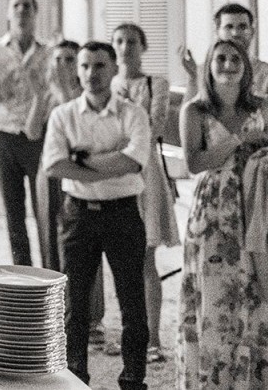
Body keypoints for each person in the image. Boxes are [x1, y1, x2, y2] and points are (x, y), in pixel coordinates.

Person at [42, 41, 150, 390]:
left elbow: (135, 160)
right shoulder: (63, 115)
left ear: (115, 68)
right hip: (78, 216)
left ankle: (133, 376)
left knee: (132, 300)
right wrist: (111, 162)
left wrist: (83, 161)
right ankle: (75, 376)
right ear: (78, 71)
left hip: (122, 212)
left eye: (100, 65)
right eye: (85, 66)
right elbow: (55, 166)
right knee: (74, 303)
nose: (92, 74)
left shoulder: (133, 114)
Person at [177, 39, 268, 389]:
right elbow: (195, 163)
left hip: (254, 202)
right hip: (213, 209)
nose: (228, 65)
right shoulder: (195, 111)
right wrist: (238, 140)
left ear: (246, 67)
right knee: (213, 292)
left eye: (235, 59)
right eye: (220, 59)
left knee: (255, 288)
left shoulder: (262, 105)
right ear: (208, 66)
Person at [110, 23, 178, 364]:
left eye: (132, 42)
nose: (125, 48)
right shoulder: (106, 83)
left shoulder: (156, 84)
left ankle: (152, 338)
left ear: (143, 46)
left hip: (145, 174)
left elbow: (153, 128)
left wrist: (118, 138)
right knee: (119, 259)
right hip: (112, 174)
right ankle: (127, 333)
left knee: (146, 258)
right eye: (119, 41)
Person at [0, 0, 51, 267]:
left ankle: (50, 269)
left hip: (38, 136)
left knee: (44, 208)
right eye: (16, 6)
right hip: (4, 136)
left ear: (35, 13)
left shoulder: (49, 52)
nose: (21, 11)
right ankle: (22, 271)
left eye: (27, 6)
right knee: (13, 213)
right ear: (9, 13)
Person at [25, 39, 80, 273]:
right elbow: (32, 132)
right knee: (48, 234)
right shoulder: (46, 93)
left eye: (69, 59)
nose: (62, 65)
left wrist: (64, 92)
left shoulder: (84, 93)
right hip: (47, 173)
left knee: (76, 237)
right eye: (57, 59)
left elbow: (77, 130)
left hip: (75, 172)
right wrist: (38, 96)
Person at [181, 2, 268, 99]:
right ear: (217, 31)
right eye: (229, 27)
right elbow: (187, 112)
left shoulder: (265, 73)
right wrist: (193, 79)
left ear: (252, 32)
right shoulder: (200, 72)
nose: (235, 33)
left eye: (242, 27)